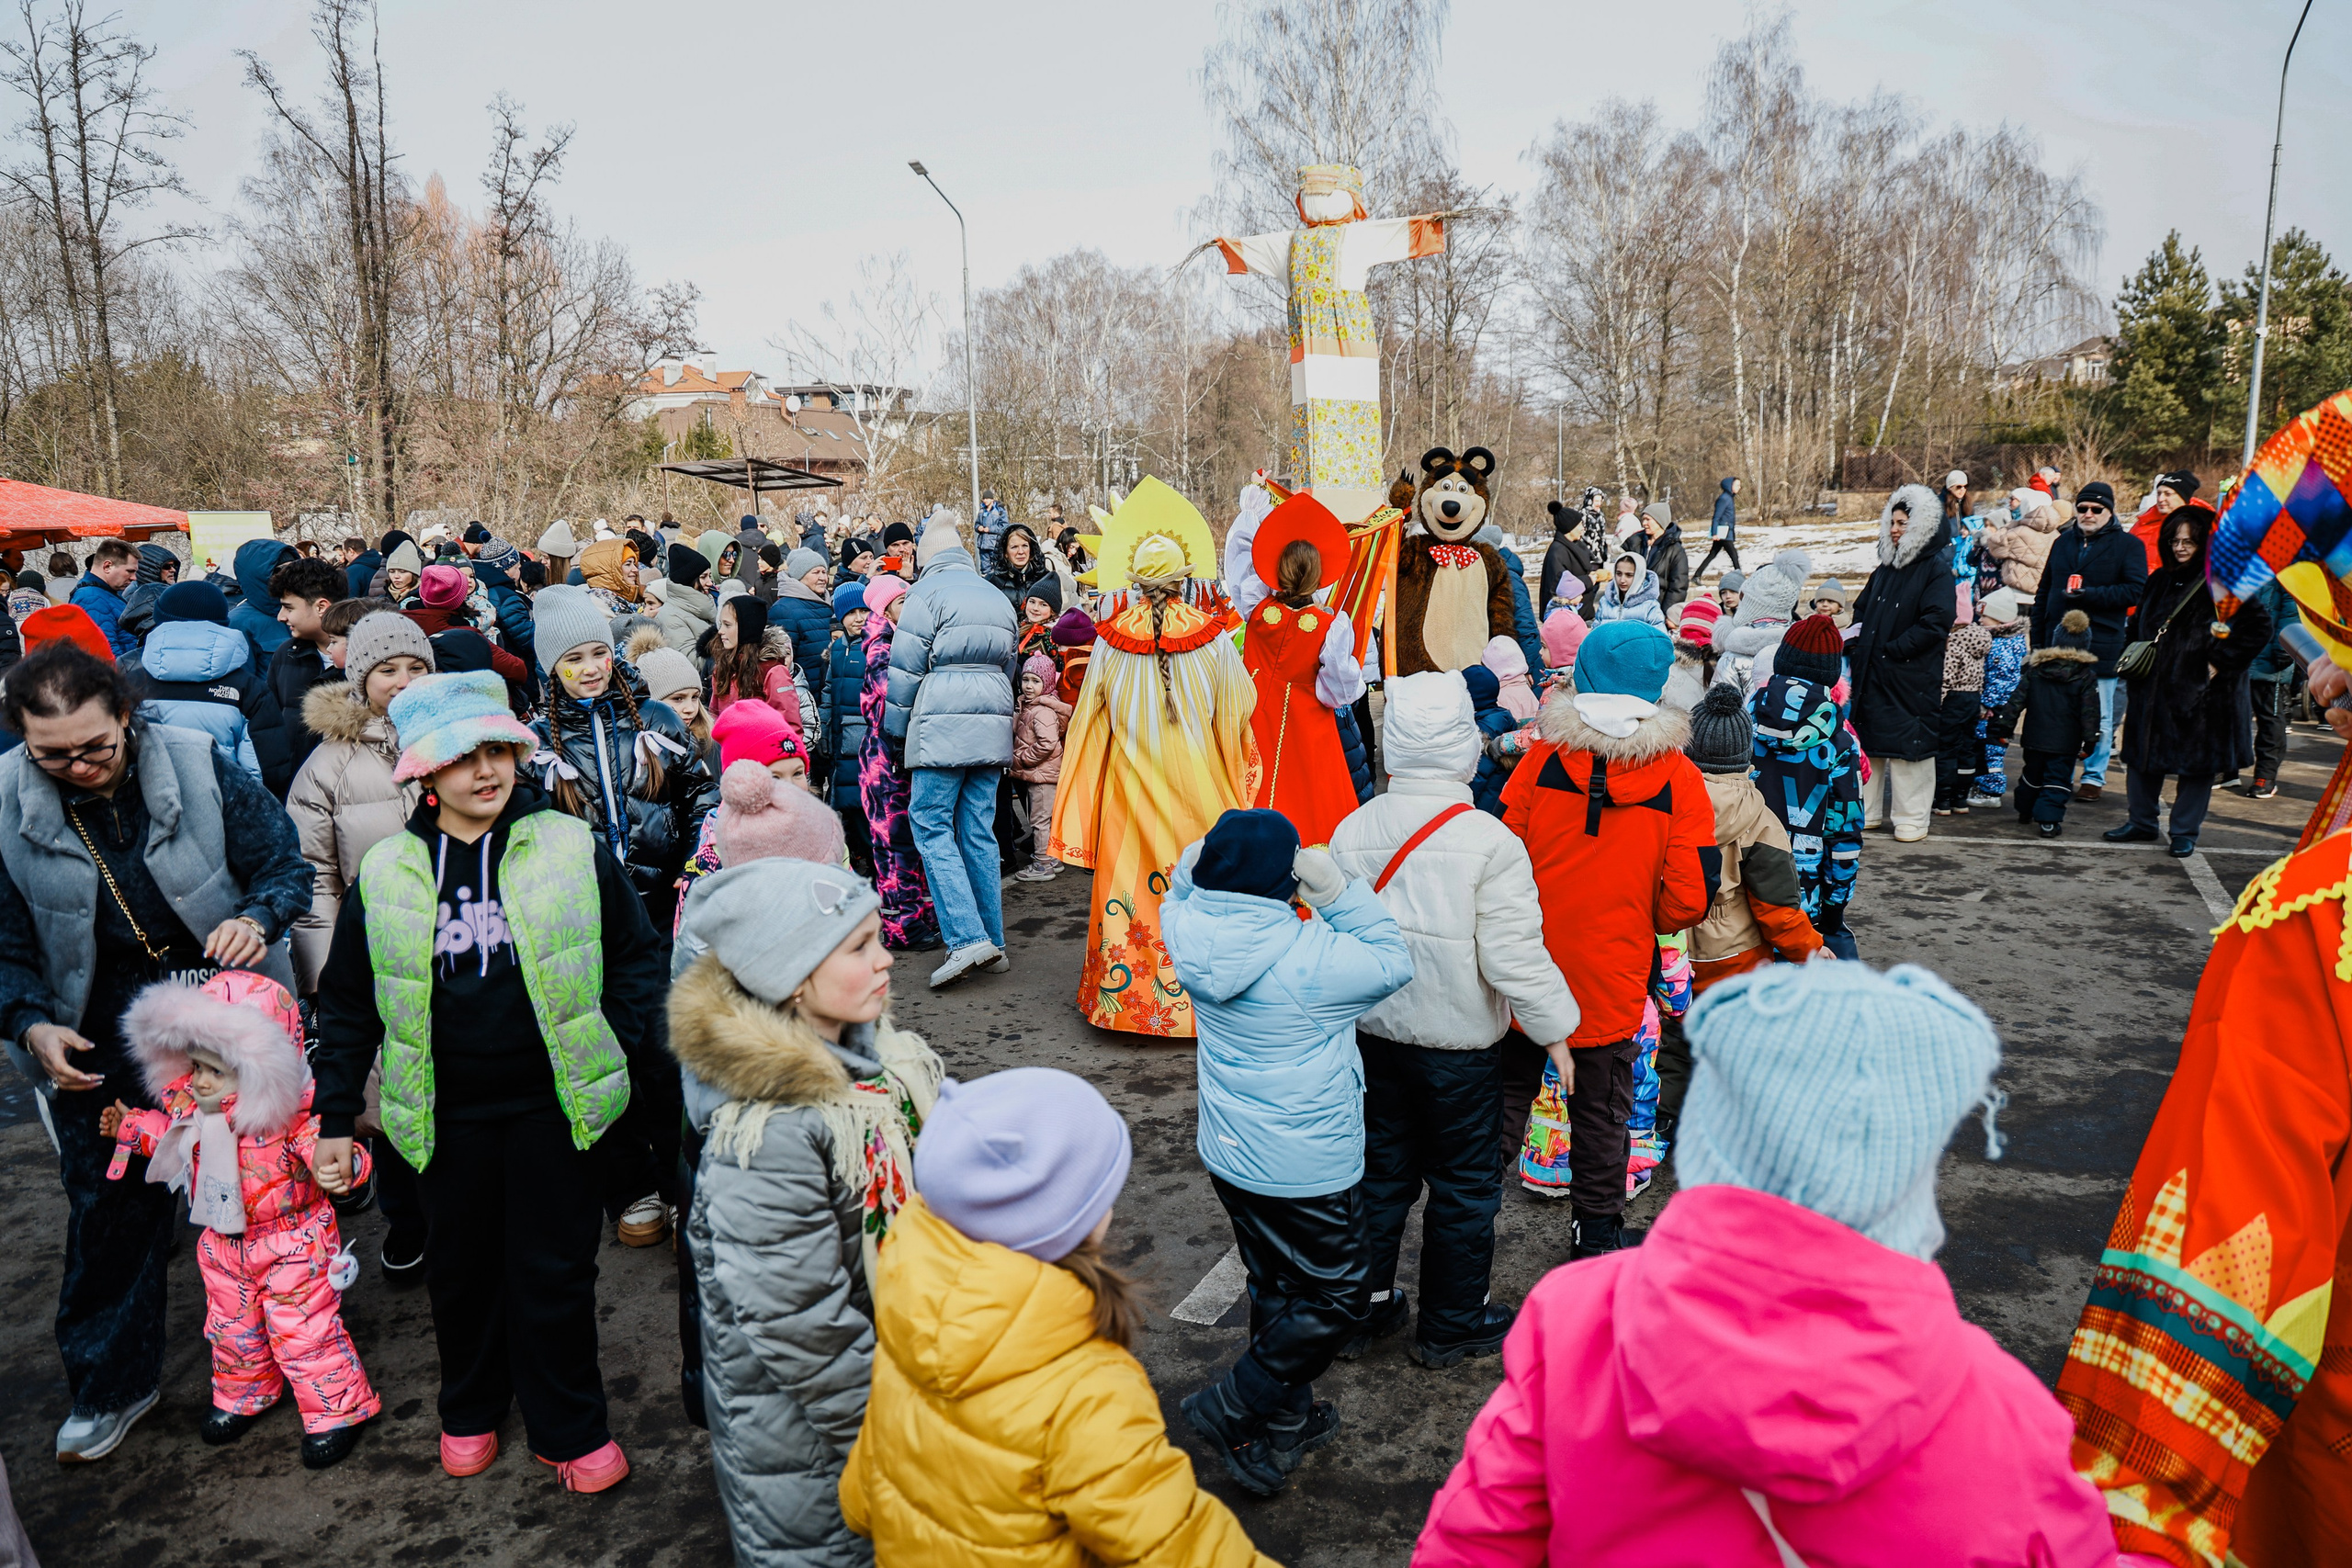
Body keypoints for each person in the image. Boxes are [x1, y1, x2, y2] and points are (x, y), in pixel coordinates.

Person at [1416, 962, 2114, 1566]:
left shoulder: (1573, 1318)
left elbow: (1475, 1543)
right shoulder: (2006, 1412)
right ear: (1912, 1170)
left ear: (1711, 1136)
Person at [309, 671, 669, 1493]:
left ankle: (568, 1422)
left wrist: (621, 1039)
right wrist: (335, 1114)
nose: (486, 770)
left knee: (556, 1271)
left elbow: (637, 955)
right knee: (462, 1271)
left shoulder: (570, 845)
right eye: (462, 756)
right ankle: (469, 1404)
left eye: (499, 749)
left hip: (558, 1105)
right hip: (441, 1114)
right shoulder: (390, 871)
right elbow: (351, 1001)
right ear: (422, 773)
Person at [0, 640, 311, 1462]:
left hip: (221, 1007)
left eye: (95, 746)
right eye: (51, 754)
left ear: (127, 716)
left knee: (262, 1189)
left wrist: (259, 916)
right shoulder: (2, 801)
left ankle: (299, 1355)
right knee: (109, 1208)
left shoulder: (197, 759)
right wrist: (29, 1019)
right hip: (89, 1023)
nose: (78, 766)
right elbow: (2, 944)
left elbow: (284, 864)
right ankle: (111, 1382)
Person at [842, 1067, 1269, 1567]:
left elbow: (860, 1500)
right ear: (1071, 1218)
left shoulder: (910, 1310)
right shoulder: (1085, 1387)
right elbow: (1176, 1546)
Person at [671, 858, 942, 1568]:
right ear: (791, 978)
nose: (887, 959)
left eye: (879, 937)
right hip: (813, 1444)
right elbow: (800, 1322)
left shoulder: (875, 1060)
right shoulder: (769, 1131)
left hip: (882, 1388)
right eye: (858, 947)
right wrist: (897, 1435)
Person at [1163, 808, 1414, 1495]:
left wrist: (1195, 864)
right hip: (1307, 1161)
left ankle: (1283, 1422)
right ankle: (1235, 1401)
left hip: (1232, 1148)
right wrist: (1335, 892)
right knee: (1336, 1293)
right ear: (1287, 881)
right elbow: (1394, 960)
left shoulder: (1186, 927)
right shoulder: (1312, 957)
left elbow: (1177, 892)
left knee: (1275, 1281)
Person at [1329, 672, 1575, 1369]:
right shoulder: (1489, 841)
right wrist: (1557, 1030)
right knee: (1464, 1187)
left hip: (1373, 1036)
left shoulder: (1353, 827)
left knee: (1379, 1174)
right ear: (1466, 747)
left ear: (1393, 744)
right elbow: (1514, 955)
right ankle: (1451, 1320)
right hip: (1461, 1045)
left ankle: (1363, 1310)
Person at [104, 969, 379, 1467]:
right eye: (196, 1066)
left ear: (256, 1071)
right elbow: (173, 1139)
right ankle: (246, 1391)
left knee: (303, 1328)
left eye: (217, 1069)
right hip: (225, 1243)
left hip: (293, 1243)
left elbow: (336, 1151)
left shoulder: (291, 1119)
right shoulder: (198, 1114)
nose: (201, 1080)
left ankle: (339, 1408)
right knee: (233, 1327)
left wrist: (346, 1168)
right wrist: (132, 1126)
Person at [1503, 620, 1714, 1258]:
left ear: (1584, 674)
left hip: (1524, 966)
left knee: (1503, 1101)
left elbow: (1502, 857)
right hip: (1614, 972)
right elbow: (1687, 899)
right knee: (1602, 1109)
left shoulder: (1541, 760)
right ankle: (1594, 1234)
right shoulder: (1679, 778)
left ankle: (1463, 1230)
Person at [1050, 490, 1257, 1038]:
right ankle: (1204, 1001)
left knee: (1133, 892)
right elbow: (1242, 707)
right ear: (1186, 576)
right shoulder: (1213, 642)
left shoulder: (1109, 646)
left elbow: (1088, 721)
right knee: (1198, 892)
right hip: (1201, 791)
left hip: (1129, 791)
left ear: (1134, 581)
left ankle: (1129, 1003)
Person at [526, 585, 718, 936]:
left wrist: (694, 859)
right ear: (553, 667)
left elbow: (700, 794)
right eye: (573, 659)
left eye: (598, 653)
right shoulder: (536, 743)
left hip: (662, 902)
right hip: (584, 912)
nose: (590, 669)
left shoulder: (658, 718)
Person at [886, 518, 1023, 988]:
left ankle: (966, 939)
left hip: (941, 720)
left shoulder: (925, 594)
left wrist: (896, 731)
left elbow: (905, 669)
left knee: (931, 823)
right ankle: (994, 941)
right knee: (978, 830)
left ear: (926, 555)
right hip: (991, 721)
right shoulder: (994, 594)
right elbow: (1009, 663)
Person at [2106, 504, 2271, 856]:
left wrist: (2216, 665)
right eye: (2175, 540)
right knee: (2141, 757)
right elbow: (2138, 625)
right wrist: (2132, 653)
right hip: (2151, 688)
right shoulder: (2159, 579)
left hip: (2203, 695)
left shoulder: (2223, 581)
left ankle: (2184, 831)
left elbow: (2258, 627)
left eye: (2190, 542)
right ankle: (2141, 822)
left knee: (2197, 766)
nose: (2180, 547)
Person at [1681, 683, 1824, 989]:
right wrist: (1811, 947)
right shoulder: (1761, 821)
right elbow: (1777, 908)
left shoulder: (1663, 803)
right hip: (1737, 957)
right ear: (1746, 752)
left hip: (1669, 950)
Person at [1242, 502, 1364, 849]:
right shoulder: (1330, 627)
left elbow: (1240, 565)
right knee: (1312, 801)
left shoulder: (1257, 609)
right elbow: (1339, 693)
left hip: (1253, 713)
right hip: (1309, 723)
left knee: (1252, 786)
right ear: (1318, 575)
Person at [1749, 614, 1863, 956]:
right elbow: (1844, 833)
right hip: (1800, 897)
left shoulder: (1741, 720)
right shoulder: (1840, 741)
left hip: (1735, 883)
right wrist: (1834, 909)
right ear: (1832, 675)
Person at [1849, 484, 1955, 841]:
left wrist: (1895, 649)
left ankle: (1912, 817)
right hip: (1873, 671)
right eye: (1892, 522)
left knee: (1911, 751)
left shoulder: (1936, 570)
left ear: (1923, 525)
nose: (1895, 529)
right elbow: (1861, 610)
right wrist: (1857, 641)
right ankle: (1868, 811)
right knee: (1869, 746)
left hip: (1911, 675)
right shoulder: (1884, 569)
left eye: (1903, 522)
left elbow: (1937, 621)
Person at [2030, 481, 2145, 801]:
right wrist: (2037, 640)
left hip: (2102, 643)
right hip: (2058, 641)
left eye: (2097, 509)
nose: (2089, 514)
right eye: (2083, 508)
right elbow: (2044, 592)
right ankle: (2059, 774)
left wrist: (2090, 595)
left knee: (2101, 715)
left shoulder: (2128, 546)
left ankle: (2094, 777)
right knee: (2061, 714)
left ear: (2109, 511)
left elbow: (2135, 590)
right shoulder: (2062, 543)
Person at [857, 574, 940, 952]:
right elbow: (892, 698)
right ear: (884, 610)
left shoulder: (903, 641)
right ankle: (900, 926)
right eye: (902, 602)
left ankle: (918, 915)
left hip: (901, 758)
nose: (910, 607)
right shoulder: (881, 647)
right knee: (894, 846)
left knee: (911, 841)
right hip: (884, 762)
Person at [134, 582, 278, 785]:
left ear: (160, 620)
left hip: (148, 804)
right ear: (222, 622)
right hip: (226, 805)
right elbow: (263, 769)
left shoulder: (130, 685)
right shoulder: (250, 690)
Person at [1989, 609, 2102, 838]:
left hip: (2034, 737)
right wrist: (2090, 742)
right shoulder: (2085, 676)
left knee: (2032, 774)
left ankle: (2025, 810)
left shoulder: (2036, 670)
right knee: (2057, 780)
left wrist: (2003, 728)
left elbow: (2016, 701)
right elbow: (2090, 712)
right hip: (2066, 741)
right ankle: (2048, 820)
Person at [267, 557, 345, 783]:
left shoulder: (369, 655)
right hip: (294, 787)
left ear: (321, 607)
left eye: (288, 607)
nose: (281, 617)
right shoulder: (286, 654)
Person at [707, 593, 812, 738]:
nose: (720, 631)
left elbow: (789, 727)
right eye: (721, 624)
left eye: (727, 625)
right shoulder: (723, 666)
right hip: (728, 755)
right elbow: (715, 714)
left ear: (747, 628)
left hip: (762, 756)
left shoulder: (772, 670)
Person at [1009, 654, 1070, 883]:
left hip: (1043, 775)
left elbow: (1047, 743)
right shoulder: (1030, 706)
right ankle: (1051, 857)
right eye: (1026, 680)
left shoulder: (1042, 711)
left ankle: (1043, 863)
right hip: (1041, 774)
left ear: (1047, 683)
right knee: (1044, 818)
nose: (1028, 686)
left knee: (1039, 821)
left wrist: (1023, 759)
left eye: (1036, 681)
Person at [1973, 586, 2031, 804]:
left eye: (1985, 616)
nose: (1980, 620)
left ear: (1999, 619)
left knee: (1992, 748)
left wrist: (1986, 703)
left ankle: (1991, 791)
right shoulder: (2009, 642)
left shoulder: (2000, 647)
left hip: (1995, 708)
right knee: (1986, 745)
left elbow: (2001, 680)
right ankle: (1983, 784)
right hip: (1998, 706)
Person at [1935, 614, 1992, 816]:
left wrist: (1936, 703)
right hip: (1973, 698)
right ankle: (1961, 798)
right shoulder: (1981, 642)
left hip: (1954, 699)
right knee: (1966, 748)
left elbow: (1946, 677)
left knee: (1946, 748)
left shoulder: (1955, 643)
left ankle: (1942, 800)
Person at [2245, 575, 2296, 798]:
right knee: (2229, 716)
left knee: (2270, 719)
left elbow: (2292, 613)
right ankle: (2227, 770)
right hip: (2238, 655)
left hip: (2271, 659)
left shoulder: (2287, 569)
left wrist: (2285, 646)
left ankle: (2265, 776)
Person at [772, 547, 835, 679]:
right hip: (802, 691)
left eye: (824, 572)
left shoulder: (827, 603)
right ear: (800, 576)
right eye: (816, 572)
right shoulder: (784, 610)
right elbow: (781, 663)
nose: (823, 577)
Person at [1542, 491, 1606, 620]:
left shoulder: (1576, 545)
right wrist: (1590, 580)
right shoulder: (1558, 551)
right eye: (1580, 525)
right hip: (1566, 617)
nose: (1583, 528)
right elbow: (1560, 586)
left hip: (1581, 613)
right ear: (1569, 527)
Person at [72, 539, 139, 660]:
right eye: (130, 571)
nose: (134, 578)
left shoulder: (103, 593)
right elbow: (105, 653)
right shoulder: (92, 598)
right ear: (107, 566)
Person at [230, 540, 298, 657]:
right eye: (283, 569)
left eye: (295, 567)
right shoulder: (238, 623)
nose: (292, 574)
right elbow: (242, 674)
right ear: (259, 575)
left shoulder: (307, 609)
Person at [2128, 468, 2199, 572]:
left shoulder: (2200, 525)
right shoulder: (2142, 524)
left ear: (2183, 498)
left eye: (2168, 494)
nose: (2160, 499)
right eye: (2159, 493)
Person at [655, 542, 718, 658]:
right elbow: (692, 662)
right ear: (688, 580)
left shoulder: (707, 605)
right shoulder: (670, 617)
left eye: (710, 576)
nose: (709, 583)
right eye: (703, 577)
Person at [115, 544, 180, 645]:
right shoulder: (140, 595)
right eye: (167, 566)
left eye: (174, 566)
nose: (173, 570)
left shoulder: (153, 592)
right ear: (150, 569)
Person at [1591, 549, 1666, 626]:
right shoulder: (1605, 602)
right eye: (1619, 574)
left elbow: (1659, 636)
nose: (1622, 580)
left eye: (1629, 575)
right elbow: (1595, 634)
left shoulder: (1650, 606)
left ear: (1639, 576)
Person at [1637, 501, 1688, 614]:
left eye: (1648, 519)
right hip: (1635, 609)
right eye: (1643, 519)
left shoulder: (1675, 550)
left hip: (1658, 609)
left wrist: (1666, 614)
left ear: (1660, 521)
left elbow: (1678, 586)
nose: (1644, 523)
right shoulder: (1637, 543)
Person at [1696, 476, 1740, 579]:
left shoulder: (1729, 498)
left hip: (1725, 532)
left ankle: (1697, 575)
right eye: (1737, 485)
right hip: (1723, 534)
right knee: (1734, 555)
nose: (1739, 487)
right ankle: (1740, 577)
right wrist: (1715, 533)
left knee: (1713, 554)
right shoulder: (1724, 499)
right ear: (1730, 486)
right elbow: (1716, 517)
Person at [972, 490, 1010, 578]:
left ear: (992, 499)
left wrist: (990, 529)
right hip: (983, 545)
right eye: (983, 499)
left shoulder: (1000, 511)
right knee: (985, 570)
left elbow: (1004, 527)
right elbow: (976, 524)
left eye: (987, 499)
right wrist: (978, 527)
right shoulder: (981, 511)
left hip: (995, 544)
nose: (985, 501)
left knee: (998, 568)